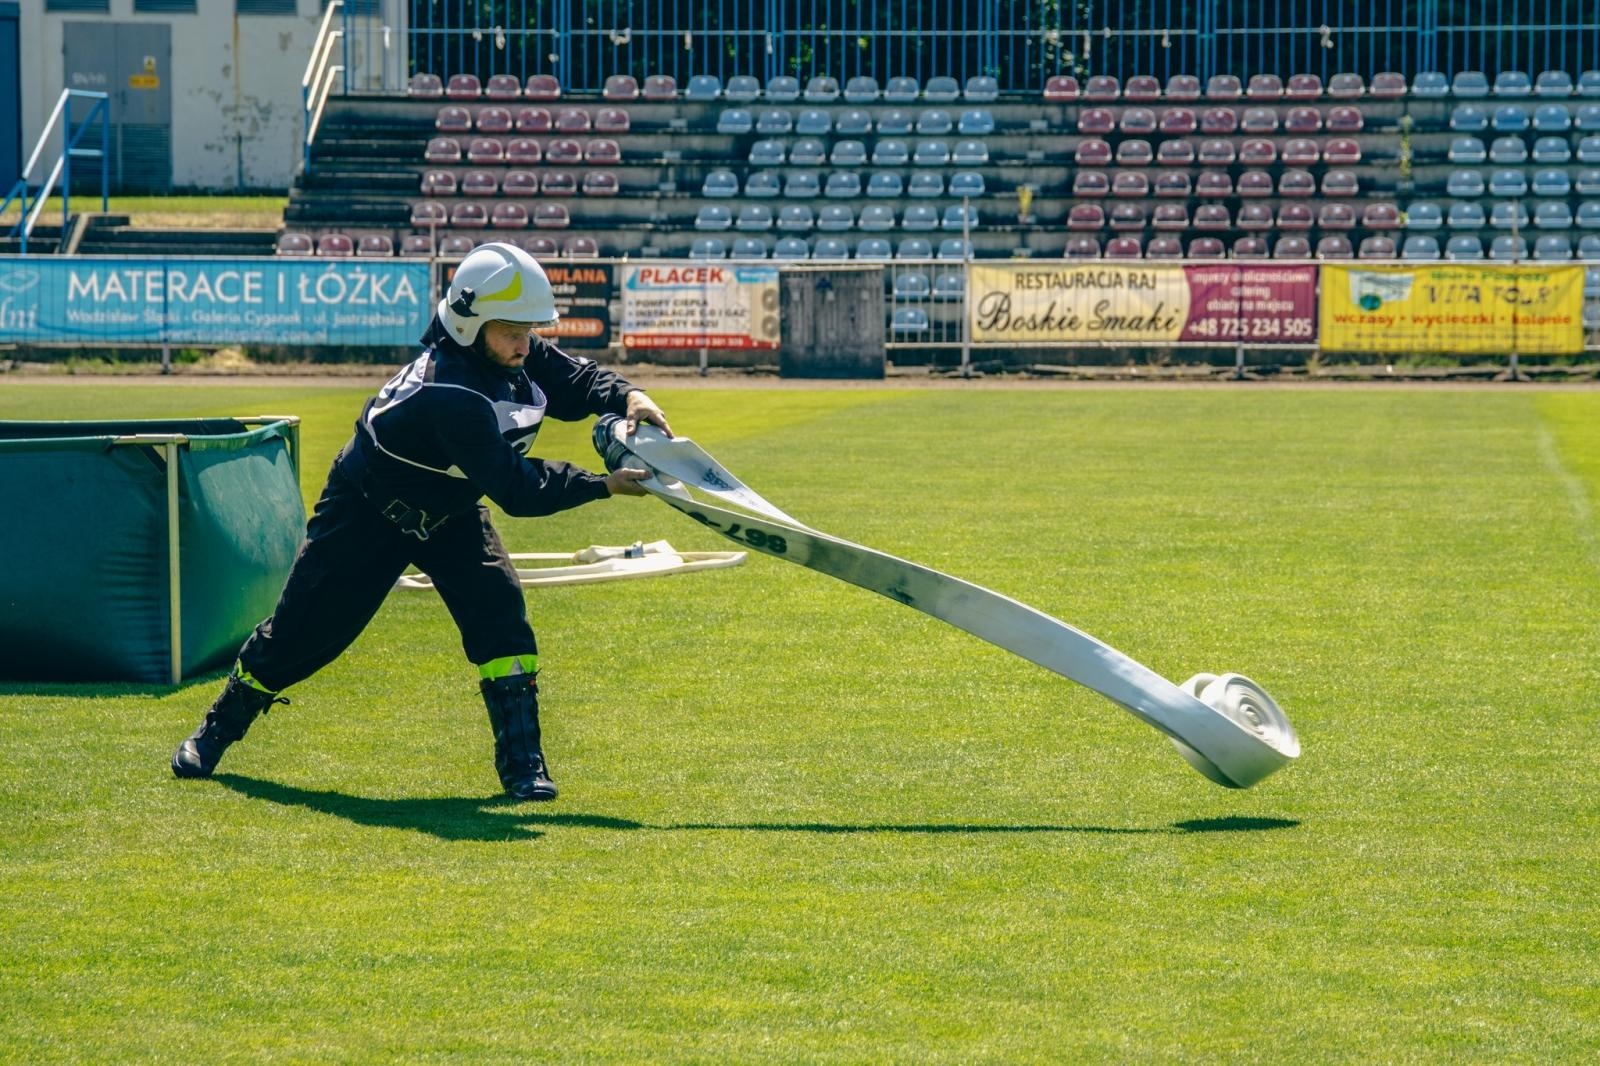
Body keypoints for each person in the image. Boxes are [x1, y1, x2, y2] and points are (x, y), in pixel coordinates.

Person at [172, 242, 666, 801]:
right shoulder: (449, 391)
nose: (526, 345)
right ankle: (217, 731)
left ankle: (524, 765)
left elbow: (575, 381)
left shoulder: (507, 346)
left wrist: (629, 396)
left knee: (500, 618)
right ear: (469, 325)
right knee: (301, 636)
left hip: (450, 509)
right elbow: (516, 488)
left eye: (530, 332)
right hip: (368, 512)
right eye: (513, 333)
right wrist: (602, 485)